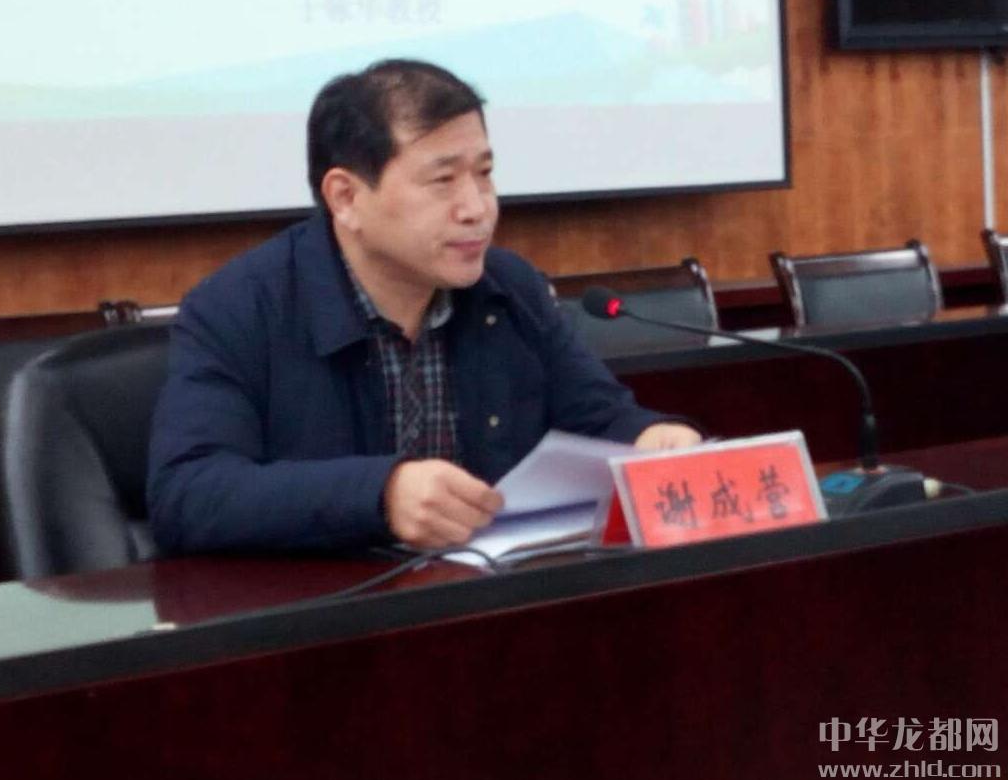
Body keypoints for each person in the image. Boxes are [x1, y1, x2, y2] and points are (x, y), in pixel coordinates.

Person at [147, 59, 701, 554]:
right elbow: (187, 494)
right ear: (346, 197)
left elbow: (600, 418)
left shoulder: (509, 288)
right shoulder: (240, 308)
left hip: (488, 605)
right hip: (327, 618)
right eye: (443, 180)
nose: (477, 208)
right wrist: (381, 494)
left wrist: (652, 439)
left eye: (484, 174)